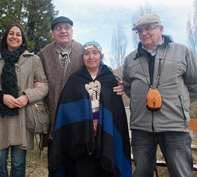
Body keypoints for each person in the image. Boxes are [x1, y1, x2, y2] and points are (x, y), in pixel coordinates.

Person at [123, 14, 197, 177]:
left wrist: (179, 104)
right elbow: (128, 88)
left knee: (181, 173)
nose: (144, 33)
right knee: (141, 172)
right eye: (140, 30)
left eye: (148, 28)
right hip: (141, 127)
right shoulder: (130, 59)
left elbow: (194, 85)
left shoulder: (183, 52)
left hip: (174, 125)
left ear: (161, 29)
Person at [49, 41, 132, 177]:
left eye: (95, 53)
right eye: (87, 54)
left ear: (101, 56)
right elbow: (67, 109)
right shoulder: (75, 79)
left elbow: (116, 111)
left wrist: (100, 123)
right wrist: (86, 124)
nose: (91, 57)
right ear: (82, 58)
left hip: (105, 134)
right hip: (80, 136)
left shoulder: (110, 79)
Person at [37, 16, 124, 138]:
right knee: (56, 149)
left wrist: (118, 83)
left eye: (66, 27)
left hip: (80, 113)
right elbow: (35, 75)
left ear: (71, 31)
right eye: (58, 28)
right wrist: (36, 83)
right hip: (53, 110)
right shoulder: (43, 54)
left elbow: (102, 70)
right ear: (52, 33)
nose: (63, 31)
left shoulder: (83, 51)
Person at [0, 23, 48, 177]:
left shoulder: (33, 60)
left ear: (22, 39)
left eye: (18, 34)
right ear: (6, 38)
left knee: (19, 165)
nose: (14, 36)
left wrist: (27, 96)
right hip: (0, 119)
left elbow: (45, 87)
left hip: (23, 118)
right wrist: (1, 97)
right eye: (11, 33)